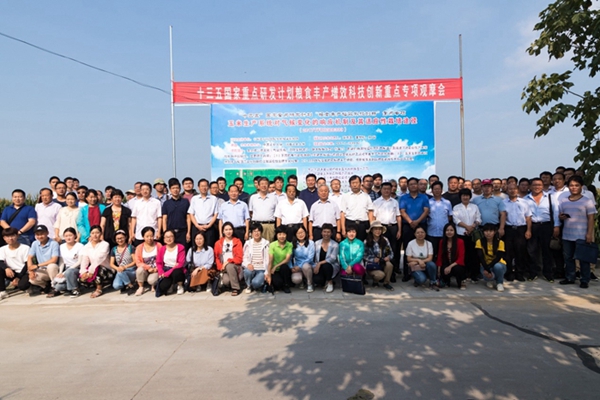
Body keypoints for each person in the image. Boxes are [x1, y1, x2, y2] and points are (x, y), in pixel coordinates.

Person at [558, 175, 596, 288]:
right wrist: (561, 217)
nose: (574, 187)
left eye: (576, 185)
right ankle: (570, 277)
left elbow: (591, 218)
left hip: (582, 235)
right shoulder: (563, 201)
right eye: (571, 185)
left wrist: (589, 234)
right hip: (567, 234)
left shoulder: (587, 201)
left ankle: (584, 279)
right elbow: (560, 215)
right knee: (568, 258)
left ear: (581, 187)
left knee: (583, 259)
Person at [399, 177, 430, 282]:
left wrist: (417, 222)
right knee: (408, 248)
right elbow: (402, 211)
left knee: (422, 248)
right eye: (411, 184)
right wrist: (410, 222)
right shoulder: (404, 198)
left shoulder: (424, 197)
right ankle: (407, 273)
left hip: (421, 225)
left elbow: (426, 211)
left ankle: (422, 271)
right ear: (408, 186)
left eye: (415, 184)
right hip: (408, 226)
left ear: (418, 185)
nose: (413, 186)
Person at [503, 183, 532, 282]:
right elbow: (502, 216)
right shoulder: (503, 203)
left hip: (521, 229)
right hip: (508, 229)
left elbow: (528, 217)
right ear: (507, 190)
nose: (512, 191)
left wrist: (528, 230)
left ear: (518, 190)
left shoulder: (524, 202)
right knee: (508, 252)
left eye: (514, 189)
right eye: (510, 189)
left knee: (520, 252)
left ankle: (519, 273)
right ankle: (509, 273)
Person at [373, 182, 402, 279]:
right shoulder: (376, 202)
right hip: (381, 228)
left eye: (388, 189)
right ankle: (381, 272)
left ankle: (391, 273)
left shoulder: (395, 202)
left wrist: (399, 230)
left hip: (393, 227)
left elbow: (398, 216)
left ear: (391, 190)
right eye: (384, 189)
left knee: (392, 249)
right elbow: (374, 217)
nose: (386, 191)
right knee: (381, 250)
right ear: (381, 190)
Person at [452, 188, 481, 282]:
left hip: (473, 234)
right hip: (461, 233)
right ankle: (463, 274)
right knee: (462, 254)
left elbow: (478, 218)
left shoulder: (474, 207)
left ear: (470, 196)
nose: (465, 197)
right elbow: (456, 220)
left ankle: (473, 275)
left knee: (473, 254)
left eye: (467, 195)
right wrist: (467, 227)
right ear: (460, 197)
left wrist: (472, 227)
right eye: (463, 195)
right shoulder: (456, 207)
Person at [78, 225, 111, 298]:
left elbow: (99, 258)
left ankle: (99, 289)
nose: (95, 235)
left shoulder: (105, 244)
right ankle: (96, 284)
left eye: (97, 233)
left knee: (98, 270)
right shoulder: (87, 246)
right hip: (92, 269)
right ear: (90, 234)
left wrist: (91, 270)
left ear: (101, 234)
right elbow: (85, 260)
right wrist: (83, 271)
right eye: (92, 233)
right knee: (81, 278)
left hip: (105, 269)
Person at [27, 225, 60, 296]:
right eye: (37, 234)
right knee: (32, 279)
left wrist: (37, 265)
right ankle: (46, 287)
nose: (40, 236)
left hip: (53, 269)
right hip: (42, 269)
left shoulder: (54, 243)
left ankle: (56, 287)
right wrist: (30, 271)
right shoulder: (35, 243)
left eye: (42, 234)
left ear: (47, 233)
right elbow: (29, 257)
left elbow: (54, 260)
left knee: (51, 266)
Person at [340, 175, 374, 241]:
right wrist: (343, 229)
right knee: (350, 244)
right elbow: (342, 213)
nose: (355, 185)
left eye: (356, 183)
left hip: (363, 225)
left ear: (361, 184)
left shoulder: (366, 196)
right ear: (350, 185)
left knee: (362, 244)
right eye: (353, 183)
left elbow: (370, 212)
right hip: (350, 223)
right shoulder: (345, 196)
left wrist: (371, 227)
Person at [363, 220, 394, 291]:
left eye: (379, 229)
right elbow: (364, 255)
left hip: (382, 262)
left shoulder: (385, 240)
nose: (378, 231)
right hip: (372, 264)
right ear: (372, 230)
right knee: (380, 275)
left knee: (389, 265)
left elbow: (390, 252)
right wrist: (372, 259)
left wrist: (388, 257)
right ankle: (375, 281)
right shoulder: (366, 241)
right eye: (376, 229)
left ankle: (386, 283)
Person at [53, 227, 84, 297]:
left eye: (70, 235)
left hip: (77, 268)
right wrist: (60, 272)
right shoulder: (61, 247)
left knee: (69, 272)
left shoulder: (80, 246)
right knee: (58, 287)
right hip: (66, 269)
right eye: (66, 236)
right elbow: (61, 261)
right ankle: (76, 285)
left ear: (75, 236)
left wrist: (65, 272)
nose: (68, 238)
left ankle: (75, 290)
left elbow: (79, 261)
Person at [188, 178, 219, 248]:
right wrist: (197, 225)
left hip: (209, 227)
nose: (204, 188)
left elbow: (216, 214)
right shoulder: (194, 199)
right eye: (202, 186)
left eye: (205, 186)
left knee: (209, 247)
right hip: (197, 227)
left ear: (208, 187)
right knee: (196, 248)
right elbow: (191, 214)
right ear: (198, 187)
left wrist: (209, 225)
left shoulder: (213, 199)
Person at [214, 222, 243, 296]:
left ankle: (236, 288)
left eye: (230, 229)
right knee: (226, 281)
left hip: (235, 266)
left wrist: (228, 261)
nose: (228, 231)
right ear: (223, 231)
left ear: (233, 230)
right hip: (223, 268)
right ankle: (232, 284)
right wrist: (220, 267)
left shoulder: (237, 242)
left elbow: (239, 258)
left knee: (229, 266)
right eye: (226, 230)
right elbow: (216, 258)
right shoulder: (218, 243)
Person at [0, 228, 31, 298]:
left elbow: (27, 264)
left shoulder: (25, 248)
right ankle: (2, 291)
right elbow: (0, 262)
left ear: (17, 236)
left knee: (22, 286)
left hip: (24, 272)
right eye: (7, 236)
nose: (10, 238)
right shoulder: (2, 249)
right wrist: (6, 268)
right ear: (4, 238)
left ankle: (31, 286)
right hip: (11, 273)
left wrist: (18, 277)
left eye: (12, 236)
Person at [475, 223, 507, 292]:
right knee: (487, 274)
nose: (488, 233)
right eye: (486, 231)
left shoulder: (500, 242)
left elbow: (498, 257)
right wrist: (486, 269)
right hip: (485, 264)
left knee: (497, 266)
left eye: (491, 231)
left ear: (494, 232)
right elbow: (480, 257)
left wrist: (488, 268)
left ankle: (499, 282)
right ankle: (490, 280)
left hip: (498, 263)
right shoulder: (479, 242)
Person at [427, 181, 453, 263]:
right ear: (432, 190)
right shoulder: (428, 202)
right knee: (432, 253)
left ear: (442, 190)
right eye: (435, 189)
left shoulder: (447, 202)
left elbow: (449, 217)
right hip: (431, 232)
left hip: (444, 233)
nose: (437, 191)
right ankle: (433, 269)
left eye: (439, 189)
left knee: (443, 254)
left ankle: (443, 269)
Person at [156, 230, 186, 296]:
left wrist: (168, 273)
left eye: (171, 236)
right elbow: (159, 263)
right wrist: (161, 272)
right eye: (166, 237)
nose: (169, 239)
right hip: (166, 269)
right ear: (164, 239)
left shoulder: (180, 247)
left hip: (176, 269)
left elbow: (180, 263)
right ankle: (171, 285)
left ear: (174, 237)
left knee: (177, 272)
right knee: (163, 287)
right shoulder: (162, 249)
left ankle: (180, 285)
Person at [131, 182, 162, 246]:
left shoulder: (157, 202)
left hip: (153, 233)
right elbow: (134, 218)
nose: (145, 191)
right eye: (143, 189)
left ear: (150, 190)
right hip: (139, 234)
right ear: (140, 191)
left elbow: (159, 217)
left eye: (147, 189)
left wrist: (159, 231)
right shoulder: (137, 203)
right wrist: (132, 232)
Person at [437, 223, 467, 290]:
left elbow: (461, 258)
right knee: (443, 269)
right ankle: (446, 281)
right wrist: (439, 269)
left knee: (457, 269)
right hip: (446, 263)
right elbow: (439, 256)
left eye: (451, 230)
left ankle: (461, 281)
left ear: (455, 231)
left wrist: (450, 267)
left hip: (456, 264)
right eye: (447, 230)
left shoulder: (460, 241)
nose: (449, 232)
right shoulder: (442, 241)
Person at [242, 223, 270, 293]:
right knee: (247, 271)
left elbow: (268, 259)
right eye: (254, 231)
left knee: (256, 283)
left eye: (258, 231)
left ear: (261, 232)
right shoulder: (248, 243)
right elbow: (244, 257)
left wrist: (267, 272)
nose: (256, 233)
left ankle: (259, 283)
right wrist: (248, 264)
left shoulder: (266, 243)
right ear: (251, 233)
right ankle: (248, 285)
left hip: (262, 269)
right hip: (252, 267)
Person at [161, 178, 190, 246]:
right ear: (170, 190)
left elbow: (188, 218)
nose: (175, 190)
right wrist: (165, 233)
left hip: (183, 232)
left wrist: (188, 232)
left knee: (183, 250)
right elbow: (164, 219)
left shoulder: (185, 202)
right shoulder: (166, 203)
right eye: (173, 188)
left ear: (180, 189)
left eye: (177, 188)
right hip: (170, 232)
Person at [248, 177, 278, 242]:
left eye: (266, 184)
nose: (264, 185)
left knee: (269, 245)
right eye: (262, 184)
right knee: (256, 245)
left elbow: (277, 213)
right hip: (256, 226)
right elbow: (250, 212)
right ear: (258, 186)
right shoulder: (253, 197)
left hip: (269, 226)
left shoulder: (274, 198)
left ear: (268, 186)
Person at [134, 227, 162, 296]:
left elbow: (163, 259)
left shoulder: (158, 245)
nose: (149, 238)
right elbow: (138, 262)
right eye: (147, 236)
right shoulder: (139, 247)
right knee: (139, 270)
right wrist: (148, 268)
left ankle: (154, 285)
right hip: (146, 270)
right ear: (143, 237)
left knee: (151, 280)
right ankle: (141, 287)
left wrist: (157, 268)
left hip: (156, 270)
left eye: (151, 236)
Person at [312, 223, 340, 293]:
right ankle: (324, 282)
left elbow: (332, 259)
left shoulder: (335, 244)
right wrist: (316, 265)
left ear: (331, 233)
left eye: (328, 232)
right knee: (317, 280)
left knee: (326, 266)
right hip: (319, 266)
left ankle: (330, 282)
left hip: (330, 266)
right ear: (321, 232)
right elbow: (314, 257)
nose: (326, 234)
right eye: (324, 232)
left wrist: (320, 263)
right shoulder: (316, 243)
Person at [267, 225, 293, 293]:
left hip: (284, 269)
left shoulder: (289, 245)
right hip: (274, 271)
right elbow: (270, 261)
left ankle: (286, 285)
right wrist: (269, 275)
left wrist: (276, 266)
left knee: (284, 267)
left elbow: (287, 259)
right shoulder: (272, 245)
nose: (282, 236)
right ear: (276, 235)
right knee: (277, 283)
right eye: (280, 234)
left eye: (284, 234)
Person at [109, 230, 137, 294]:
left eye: (121, 238)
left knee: (120, 272)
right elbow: (111, 263)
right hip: (120, 270)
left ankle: (130, 286)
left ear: (125, 237)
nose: (120, 240)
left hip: (131, 270)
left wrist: (125, 267)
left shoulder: (130, 247)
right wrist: (117, 268)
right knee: (116, 286)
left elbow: (135, 261)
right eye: (118, 239)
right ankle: (127, 284)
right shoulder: (114, 249)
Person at [290, 225, 316, 292]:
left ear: (305, 232)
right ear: (295, 234)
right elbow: (290, 257)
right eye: (298, 233)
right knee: (296, 279)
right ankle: (302, 281)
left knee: (306, 266)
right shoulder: (292, 244)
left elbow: (310, 258)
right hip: (297, 266)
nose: (300, 235)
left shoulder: (311, 243)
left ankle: (309, 284)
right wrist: (291, 267)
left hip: (308, 265)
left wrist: (300, 266)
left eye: (302, 232)